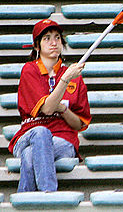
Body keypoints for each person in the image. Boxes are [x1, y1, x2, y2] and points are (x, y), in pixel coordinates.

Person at [8, 19, 90, 192]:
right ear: (37, 46)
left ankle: (27, 204)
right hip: (29, 135)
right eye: (47, 38)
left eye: (57, 38)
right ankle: (49, 195)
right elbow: (47, 109)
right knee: (41, 133)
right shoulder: (30, 70)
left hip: (63, 140)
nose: (54, 43)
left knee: (30, 156)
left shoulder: (74, 75)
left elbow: (78, 124)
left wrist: (64, 109)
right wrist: (65, 79)